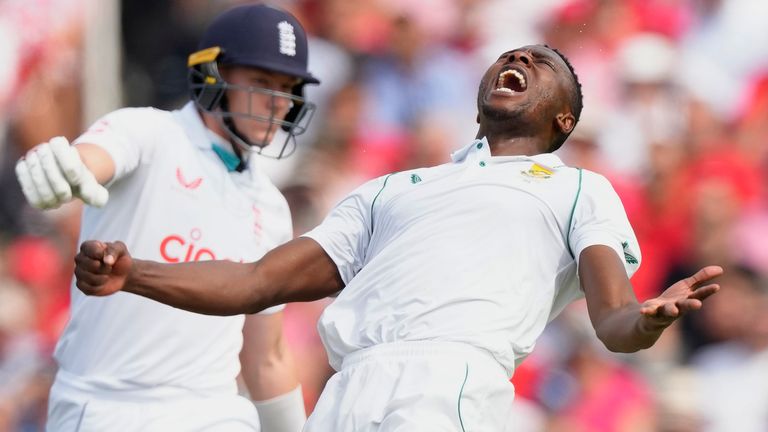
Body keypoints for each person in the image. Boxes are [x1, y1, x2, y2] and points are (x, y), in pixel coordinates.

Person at [72, 44, 723, 431]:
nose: (519, 57)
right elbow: (255, 282)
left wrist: (646, 321)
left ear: (563, 118)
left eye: (542, 62)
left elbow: (612, 316)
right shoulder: (390, 189)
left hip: (447, 382)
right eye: (510, 55)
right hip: (346, 388)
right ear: (477, 105)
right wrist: (135, 275)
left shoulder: (579, 188)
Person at [14, 4, 318, 431]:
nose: (276, 103)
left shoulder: (270, 207)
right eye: (261, 82)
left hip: (211, 409)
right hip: (104, 405)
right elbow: (94, 159)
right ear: (213, 75)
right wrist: (65, 169)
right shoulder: (149, 132)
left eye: (288, 87)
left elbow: (266, 356)